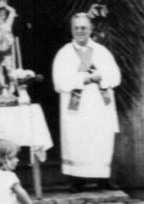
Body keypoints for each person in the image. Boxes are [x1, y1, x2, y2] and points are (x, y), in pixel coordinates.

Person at [52, 13, 122, 190]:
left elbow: (116, 77)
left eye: (83, 27)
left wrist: (100, 77)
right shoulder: (64, 53)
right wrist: (83, 79)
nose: (80, 31)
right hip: (77, 107)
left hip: (98, 106)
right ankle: (78, 180)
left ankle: (102, 179)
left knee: (100, 139)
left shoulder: (102, 52)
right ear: (72, 30)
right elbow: (59, 81)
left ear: (91, 29)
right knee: (78, 140)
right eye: (76, 28)